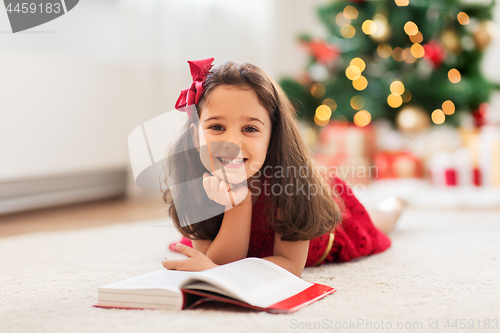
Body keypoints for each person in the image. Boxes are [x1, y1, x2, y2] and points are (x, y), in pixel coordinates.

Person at [161, 58, 405, 277]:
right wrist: (239, 204)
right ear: (195, 137)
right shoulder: (192, 183)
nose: (232, 143)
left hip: (329, 213)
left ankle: (395, 204)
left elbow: (290, 264)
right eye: (216, 127)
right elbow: (217, 264)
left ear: (272, 136)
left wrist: (220, 267)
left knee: (377, 221)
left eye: (250, 129)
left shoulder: (293, 187)